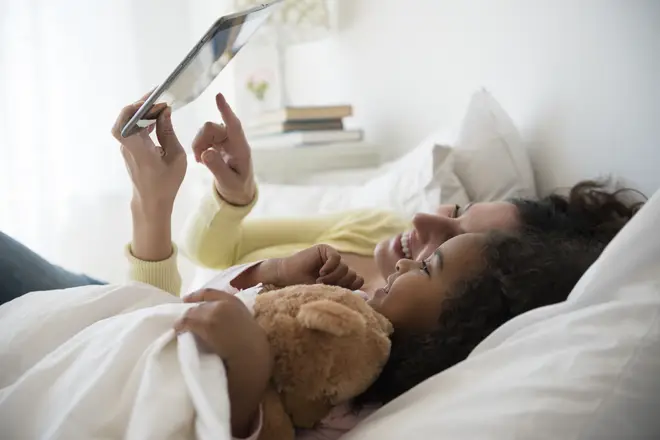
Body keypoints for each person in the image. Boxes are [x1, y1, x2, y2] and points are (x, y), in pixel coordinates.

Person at [108, 95, 620, 439]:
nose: (423, 217)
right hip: (143, 319)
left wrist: (149, 210)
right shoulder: (369, 228)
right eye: (458, 212)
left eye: (453, 242)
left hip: (145, 325)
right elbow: (212, 251)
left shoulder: (381, 361)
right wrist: (232, 195)